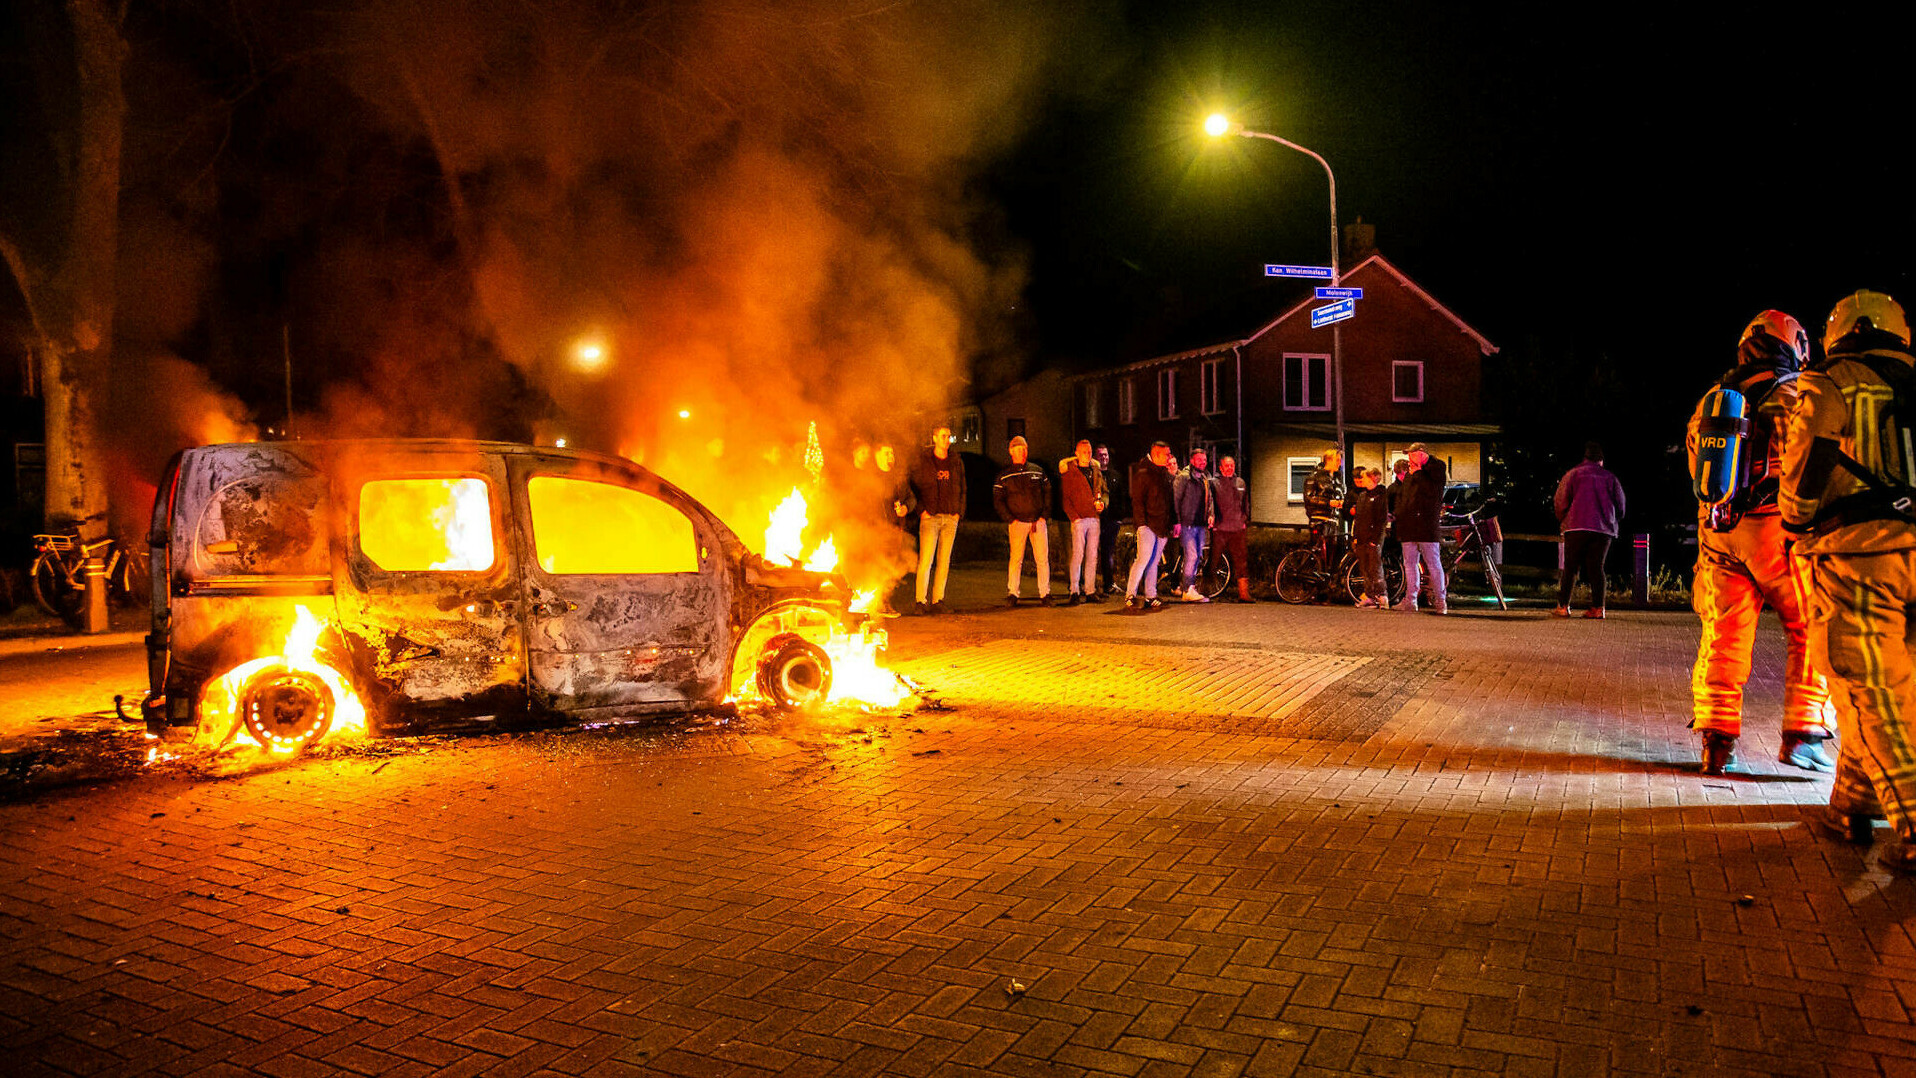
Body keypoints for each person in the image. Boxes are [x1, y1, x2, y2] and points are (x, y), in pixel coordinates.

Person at [1780, 290, 1916, 865]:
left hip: (1862, 551)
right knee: (1885, 684)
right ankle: (1853, 803)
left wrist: (1794, 516)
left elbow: (1811, 455)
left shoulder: (1833, 380)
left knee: (1871, 687)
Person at [1687, 311, 1834, 776]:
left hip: (1719, 533)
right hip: (1777, 534)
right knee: (1811, 626)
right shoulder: (1793, 395)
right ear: (1794, 346)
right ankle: (1805, 733)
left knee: (1723, 634)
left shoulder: (1710, 403)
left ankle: (1716, 738)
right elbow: (1809, 464)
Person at [1552, 441, 1626, 618]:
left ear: (1585, 458)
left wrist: (1563, 517)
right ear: (1601, 460)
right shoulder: (1610, 478)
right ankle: (1598, 608)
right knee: (1597, 568)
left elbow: (1560, 500)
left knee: (1570, 568)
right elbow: (1621, 506)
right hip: (1603, 530)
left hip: (1576, 526)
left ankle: (1563, 607)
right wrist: (1614, 519)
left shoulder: (1573, 474)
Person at [909, 426, 965, 615]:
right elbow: (913, 487)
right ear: (934, 438)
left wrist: (958, 512)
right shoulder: (924, 461)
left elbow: (963, 487)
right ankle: (920, 601)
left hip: (950, 517)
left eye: (949, 436)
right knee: (926, 560)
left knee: (944, 560)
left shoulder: (956, 461)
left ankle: (937, 600)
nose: (947, 440)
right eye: (943, 436)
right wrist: (921, 511)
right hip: (930, 517)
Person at [995, 435, 1052, 607]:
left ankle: (1045, 593)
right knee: (1016, 559)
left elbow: (1048, 493)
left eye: (1025, 449)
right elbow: (998, 500)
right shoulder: (1004, 476)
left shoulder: (1037, 471)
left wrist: (1044, 516)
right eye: (1020, 449)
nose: (1023, 452)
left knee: (1042, 559)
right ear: (1011, 451)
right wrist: (1010, 519)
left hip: (1037, 522)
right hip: (1017, 523)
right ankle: (1013, 593)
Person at [1394, 443, 1447, 614]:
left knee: (1433, 564)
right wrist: (1398, 514)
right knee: (1410, 564)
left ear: (1421, 453)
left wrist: (1418, 472)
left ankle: (1440, 600)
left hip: (1426, 526)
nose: (1409, 458)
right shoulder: (1410, 475)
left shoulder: (1436, 468)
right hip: (1409, 526)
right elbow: (1404, 498)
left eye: (1412, 454)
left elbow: (1432, 493)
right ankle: (1411, 600)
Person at [1124, 442, 1176, 613]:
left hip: (1162, 524)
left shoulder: (1164, 474)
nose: (1169, 457)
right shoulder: (1144, 473)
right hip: (1148, 524)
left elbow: (1169, 502)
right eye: (1166, 454)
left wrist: (1172, 523)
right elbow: (1137, 501)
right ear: (1155, 454)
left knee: (1153, 561)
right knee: (1143, 559)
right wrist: (1141, 524)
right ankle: (1130, 594)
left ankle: (1150, 595)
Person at [1059, 439, 1106, 605]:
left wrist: (1101, 504)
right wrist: (1074, 517)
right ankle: (1074, 590)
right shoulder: (1070, 472)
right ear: (1077, 453)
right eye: (1084, 451)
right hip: (1079, 519)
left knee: (1092, 555)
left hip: (1094, 517)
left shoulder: (1095, 469)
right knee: (1078, 555)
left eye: (1089, 451)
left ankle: (1090, 589)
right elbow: (1066, 498)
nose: (1088, 454)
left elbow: (1101, 490)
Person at [1173, 448, 1215, 603]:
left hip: (1200, 524)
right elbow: (1176, 500)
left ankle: (1188, 587)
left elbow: (1209, 498)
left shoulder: (1204, 478)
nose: (1202, 463)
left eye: (1204, 460)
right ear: (1191, 460)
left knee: (1197, 556)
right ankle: (1187, 589)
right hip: (1187, 523)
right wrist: (1177, 520)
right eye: (1199, 460)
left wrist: (1210, 515)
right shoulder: (1184, 477)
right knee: (1191, 555)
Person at [1211, 455, 1253, 602]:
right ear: (1221, 467)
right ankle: (1207, 590)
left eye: (1232, 465)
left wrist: (1244, 519)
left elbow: (1246, 503)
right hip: (1220, 529)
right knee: (1213, 560)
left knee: (1242, 561)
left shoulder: (1240, 482)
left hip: (1237, 528)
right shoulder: (1214, 483)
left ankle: (1244, 594)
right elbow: (1210, 503)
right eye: (1227, 466)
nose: (1230, 468)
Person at [1349, 468, 1390, 608]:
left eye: (1365, 477)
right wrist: (1355, 537)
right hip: (1362, 538)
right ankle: (1370, 595)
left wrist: (1376, 540)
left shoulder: (1380, 496)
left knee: (1375, 568)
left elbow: (1381, 520)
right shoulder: (1362, 496)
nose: (1362, 480)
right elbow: (1358, 518)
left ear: (1372, 479)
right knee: (1365, 568)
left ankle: (1382, 596)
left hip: (1372, 539)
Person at [1095, 444, 1128, 596]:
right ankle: (1088, 584)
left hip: (1111, 521)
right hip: (1095, 520)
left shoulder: (1115, 476)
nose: (1104, 457)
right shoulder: (1093, 475)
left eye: (1106, 455)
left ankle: (1108, 583)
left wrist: (1119, 518)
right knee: (1092, 553)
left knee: (1108, 553)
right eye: (1100, 455)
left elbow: (1122, 497)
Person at [1303, 449, 1345, 566]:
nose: (1339, 463)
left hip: (1332, 520)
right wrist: (1329, 503)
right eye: (1337, 460)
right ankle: (1311, 574)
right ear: (1329, 460)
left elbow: (1340, 495)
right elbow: (1309, 498)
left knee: (1331, 554)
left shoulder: (1336, 479)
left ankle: (1327, 578)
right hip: (1319, 520)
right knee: (1318, 553)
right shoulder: (1315, 477)